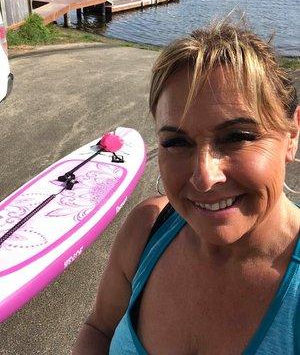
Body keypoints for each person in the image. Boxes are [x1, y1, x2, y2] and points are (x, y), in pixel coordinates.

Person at [72, 22, 300, 355]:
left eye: (237, 136)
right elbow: (99, 328)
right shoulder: (148, 228)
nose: (205, 177)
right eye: (177, 141)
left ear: (291, 135)